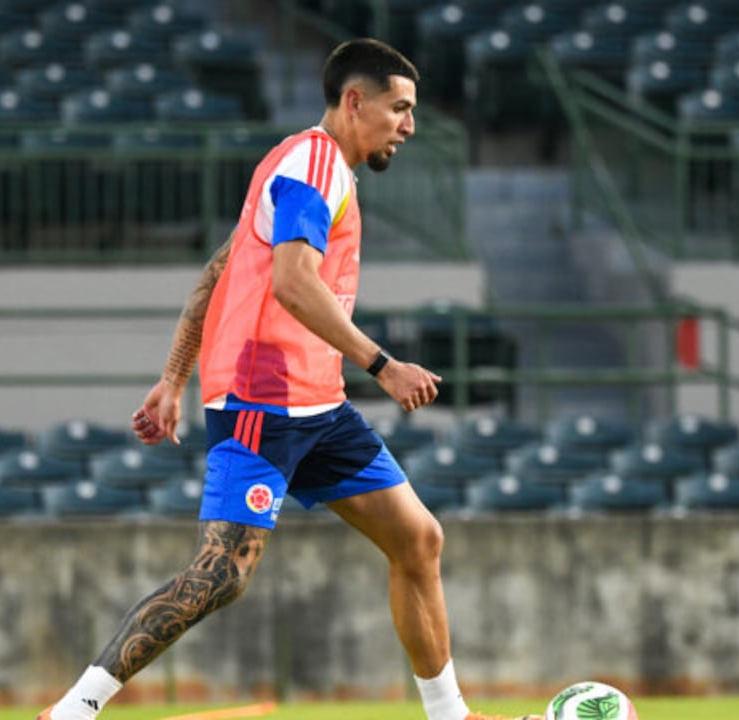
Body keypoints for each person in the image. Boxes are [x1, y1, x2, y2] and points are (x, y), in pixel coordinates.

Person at [37, 38, 541, 720]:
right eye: (400, 108)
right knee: (221, 576)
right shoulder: (314, 163)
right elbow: (294, 282)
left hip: (317, 407)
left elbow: (220, 271)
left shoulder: (310, 167)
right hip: (261, 403)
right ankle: (73, 711)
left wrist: (171, 378)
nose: (410, 125)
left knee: (418, 539)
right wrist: (384, 367)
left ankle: (451, 717)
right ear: (354, 101)